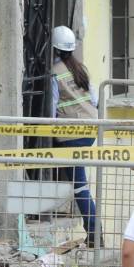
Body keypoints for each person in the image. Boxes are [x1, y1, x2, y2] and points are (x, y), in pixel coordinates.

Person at [50, 25, 99, 248]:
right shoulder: (81, 69)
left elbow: (51, 106)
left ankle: (95, 232)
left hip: (70, 132)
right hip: (90, 130)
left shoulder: (54, 72)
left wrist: (46, 131)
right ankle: (93, 232)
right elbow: (95, 100)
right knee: (77, 180)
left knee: (79, 185)